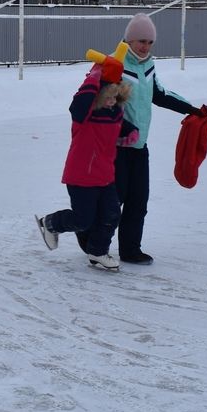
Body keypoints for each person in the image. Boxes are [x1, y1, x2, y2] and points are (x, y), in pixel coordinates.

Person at [112, 12, 207, 266]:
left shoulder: (148, 65)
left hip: (140, 146)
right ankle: (89, 239)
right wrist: (123, 128)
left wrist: (192, 109)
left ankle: (130, 249)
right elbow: (106, 105)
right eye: (141, 41)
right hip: (116, 148)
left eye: (150, 42)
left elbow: (159, 94)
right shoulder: (117, 64)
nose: (145, 46)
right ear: (129, 40)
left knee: (138, 200)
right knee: (113, 201)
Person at [36, 55, 136, 272]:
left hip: (105, 176)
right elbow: (78, 104)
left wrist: (131, 131)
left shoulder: (114, 113)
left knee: (111, 215)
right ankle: (51, 223)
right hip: (81, 176)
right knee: (83, 220)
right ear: (98, 95)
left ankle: (98, 252)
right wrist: (94, 75)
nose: (111, 102)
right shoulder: (85, 115)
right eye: (107, 97)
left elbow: (121, 124)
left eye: (115, 97)